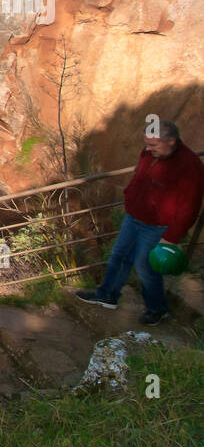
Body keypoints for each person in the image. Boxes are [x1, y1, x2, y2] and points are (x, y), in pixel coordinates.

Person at [76, 120, 203, 325]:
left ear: (171, 141)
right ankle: (107, 295)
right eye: (146, 144)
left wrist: (171, 237)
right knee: (119, 256)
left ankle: (157, 309)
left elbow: (191, 206)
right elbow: (141, 176)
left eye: (153, 145)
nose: (148, 149)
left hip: (158, 225)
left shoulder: (189, 165)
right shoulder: (150, 153)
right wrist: (130, 195)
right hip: (134, 217)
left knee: (144, 266)